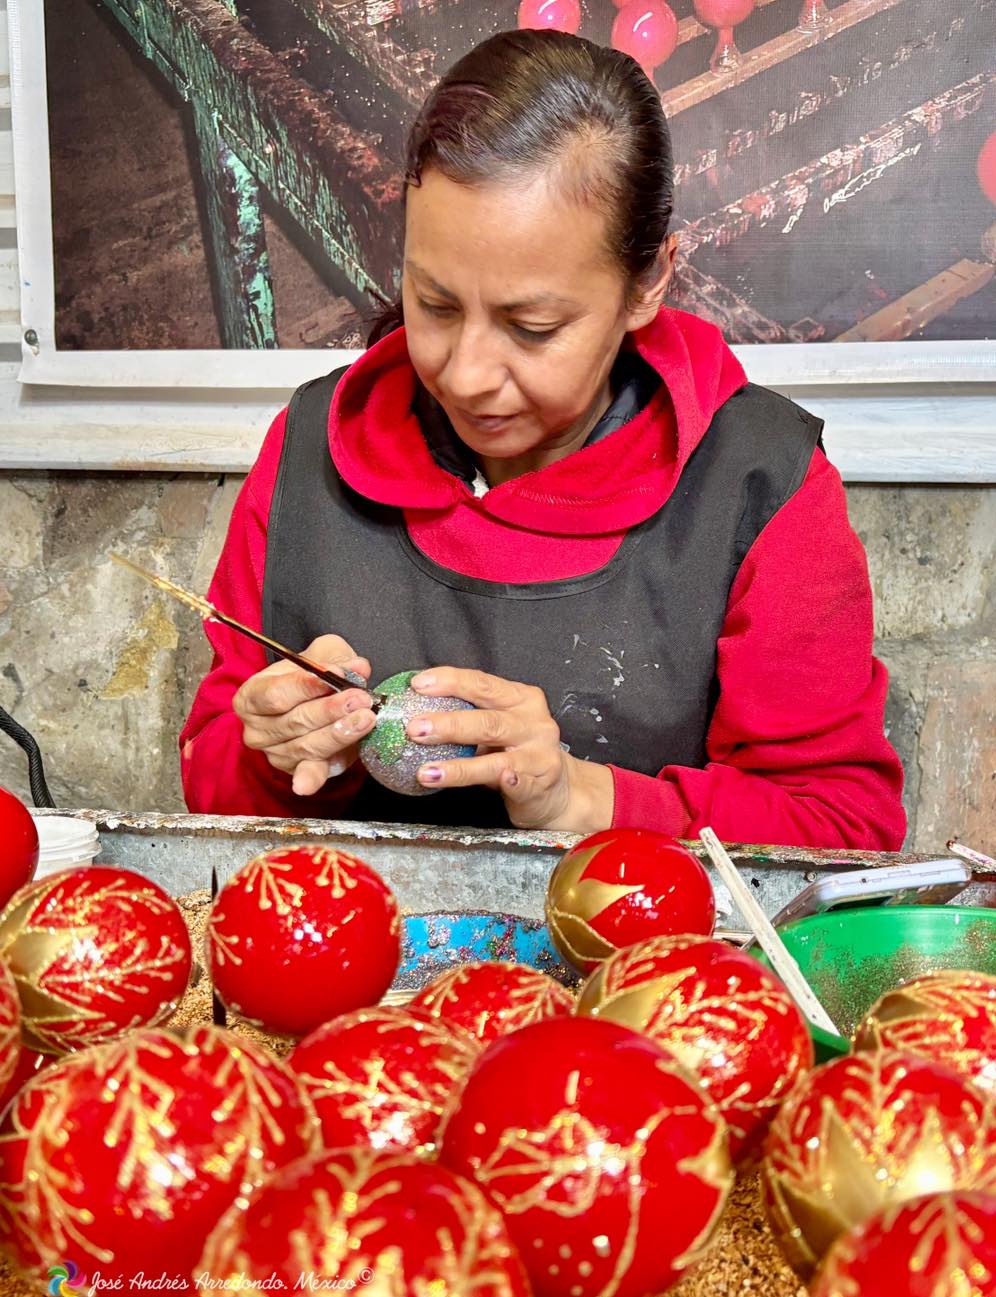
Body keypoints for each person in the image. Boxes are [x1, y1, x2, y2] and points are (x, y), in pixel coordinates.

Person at [180, 28, 905, 850]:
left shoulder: (759, 485)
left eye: (533, 327)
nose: (467, 374)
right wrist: (279, 757)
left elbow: (842, 828)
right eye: (436, 304)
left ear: (648, 283)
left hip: (646, 974)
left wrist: (581, 798)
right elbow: (210, 776)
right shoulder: (315, 447)